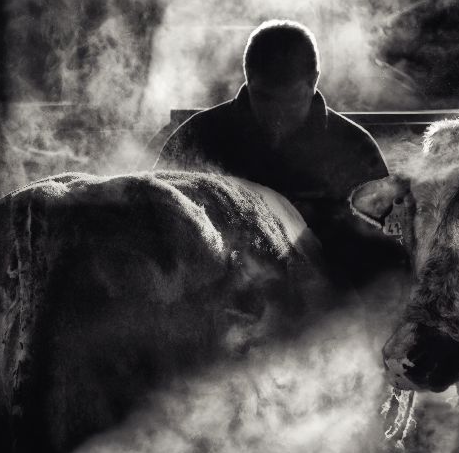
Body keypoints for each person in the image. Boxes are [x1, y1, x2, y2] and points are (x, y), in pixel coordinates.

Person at [154, 19, 397, 287]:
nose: (276, 114)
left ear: (314, 81)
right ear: (248, 80)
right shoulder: (197, 139)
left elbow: (386, 253)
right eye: (265, 98)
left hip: (330, 306)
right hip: (218, 300)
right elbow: (157, 225)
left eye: (291, 100)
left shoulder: (354, 149)